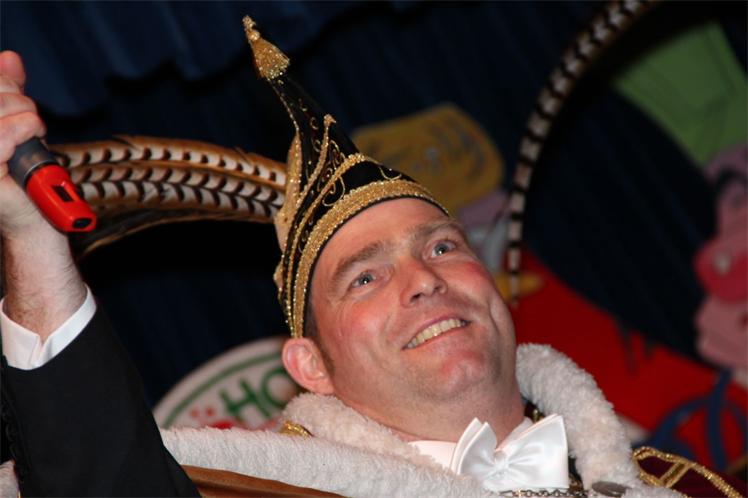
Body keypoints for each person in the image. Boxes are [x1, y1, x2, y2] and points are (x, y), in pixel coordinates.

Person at [0, 18, 744, 498]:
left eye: (443, 246)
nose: (423, 280)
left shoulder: (685, 488)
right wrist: (33, 241)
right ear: (311, 367)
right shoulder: (262, 495)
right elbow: (102, 480)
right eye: (365, 277)